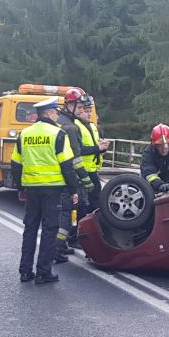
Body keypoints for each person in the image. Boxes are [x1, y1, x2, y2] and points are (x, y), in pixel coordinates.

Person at [11, 97, 84, 284]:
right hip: (53, 189)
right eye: (56, 113)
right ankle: (44, 271)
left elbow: (16, 164)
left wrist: (20, 186)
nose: (58, 116)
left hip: (32, 190)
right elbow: (67, 165)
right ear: (49, 113)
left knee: (30, 229)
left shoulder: (24, 134)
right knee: (50, 230)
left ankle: (25, 271)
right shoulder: (58, 134)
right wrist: (74, 188)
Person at [57, 88, 95, 258]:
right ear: (70, 105)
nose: (82, 111)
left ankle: (61, 244)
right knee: (71, 210)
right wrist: (86, 181)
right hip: (68, 177)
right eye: (79, 107)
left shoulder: (59, 121)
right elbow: (75, 158)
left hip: (56, 177)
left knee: (63, 213)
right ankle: (63, 244)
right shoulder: (70, 127)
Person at [74, 95, 107, 216]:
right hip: (81, 171)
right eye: (86, 111)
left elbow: (95, 147)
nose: (89, 114)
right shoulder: (76, 126)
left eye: (90, 112)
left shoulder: (93, 126)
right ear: (80, 111)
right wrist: (97, 148)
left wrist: (102, 149)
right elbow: (78, 150)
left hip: (93, 170)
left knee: (96, 202)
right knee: (83, 204)